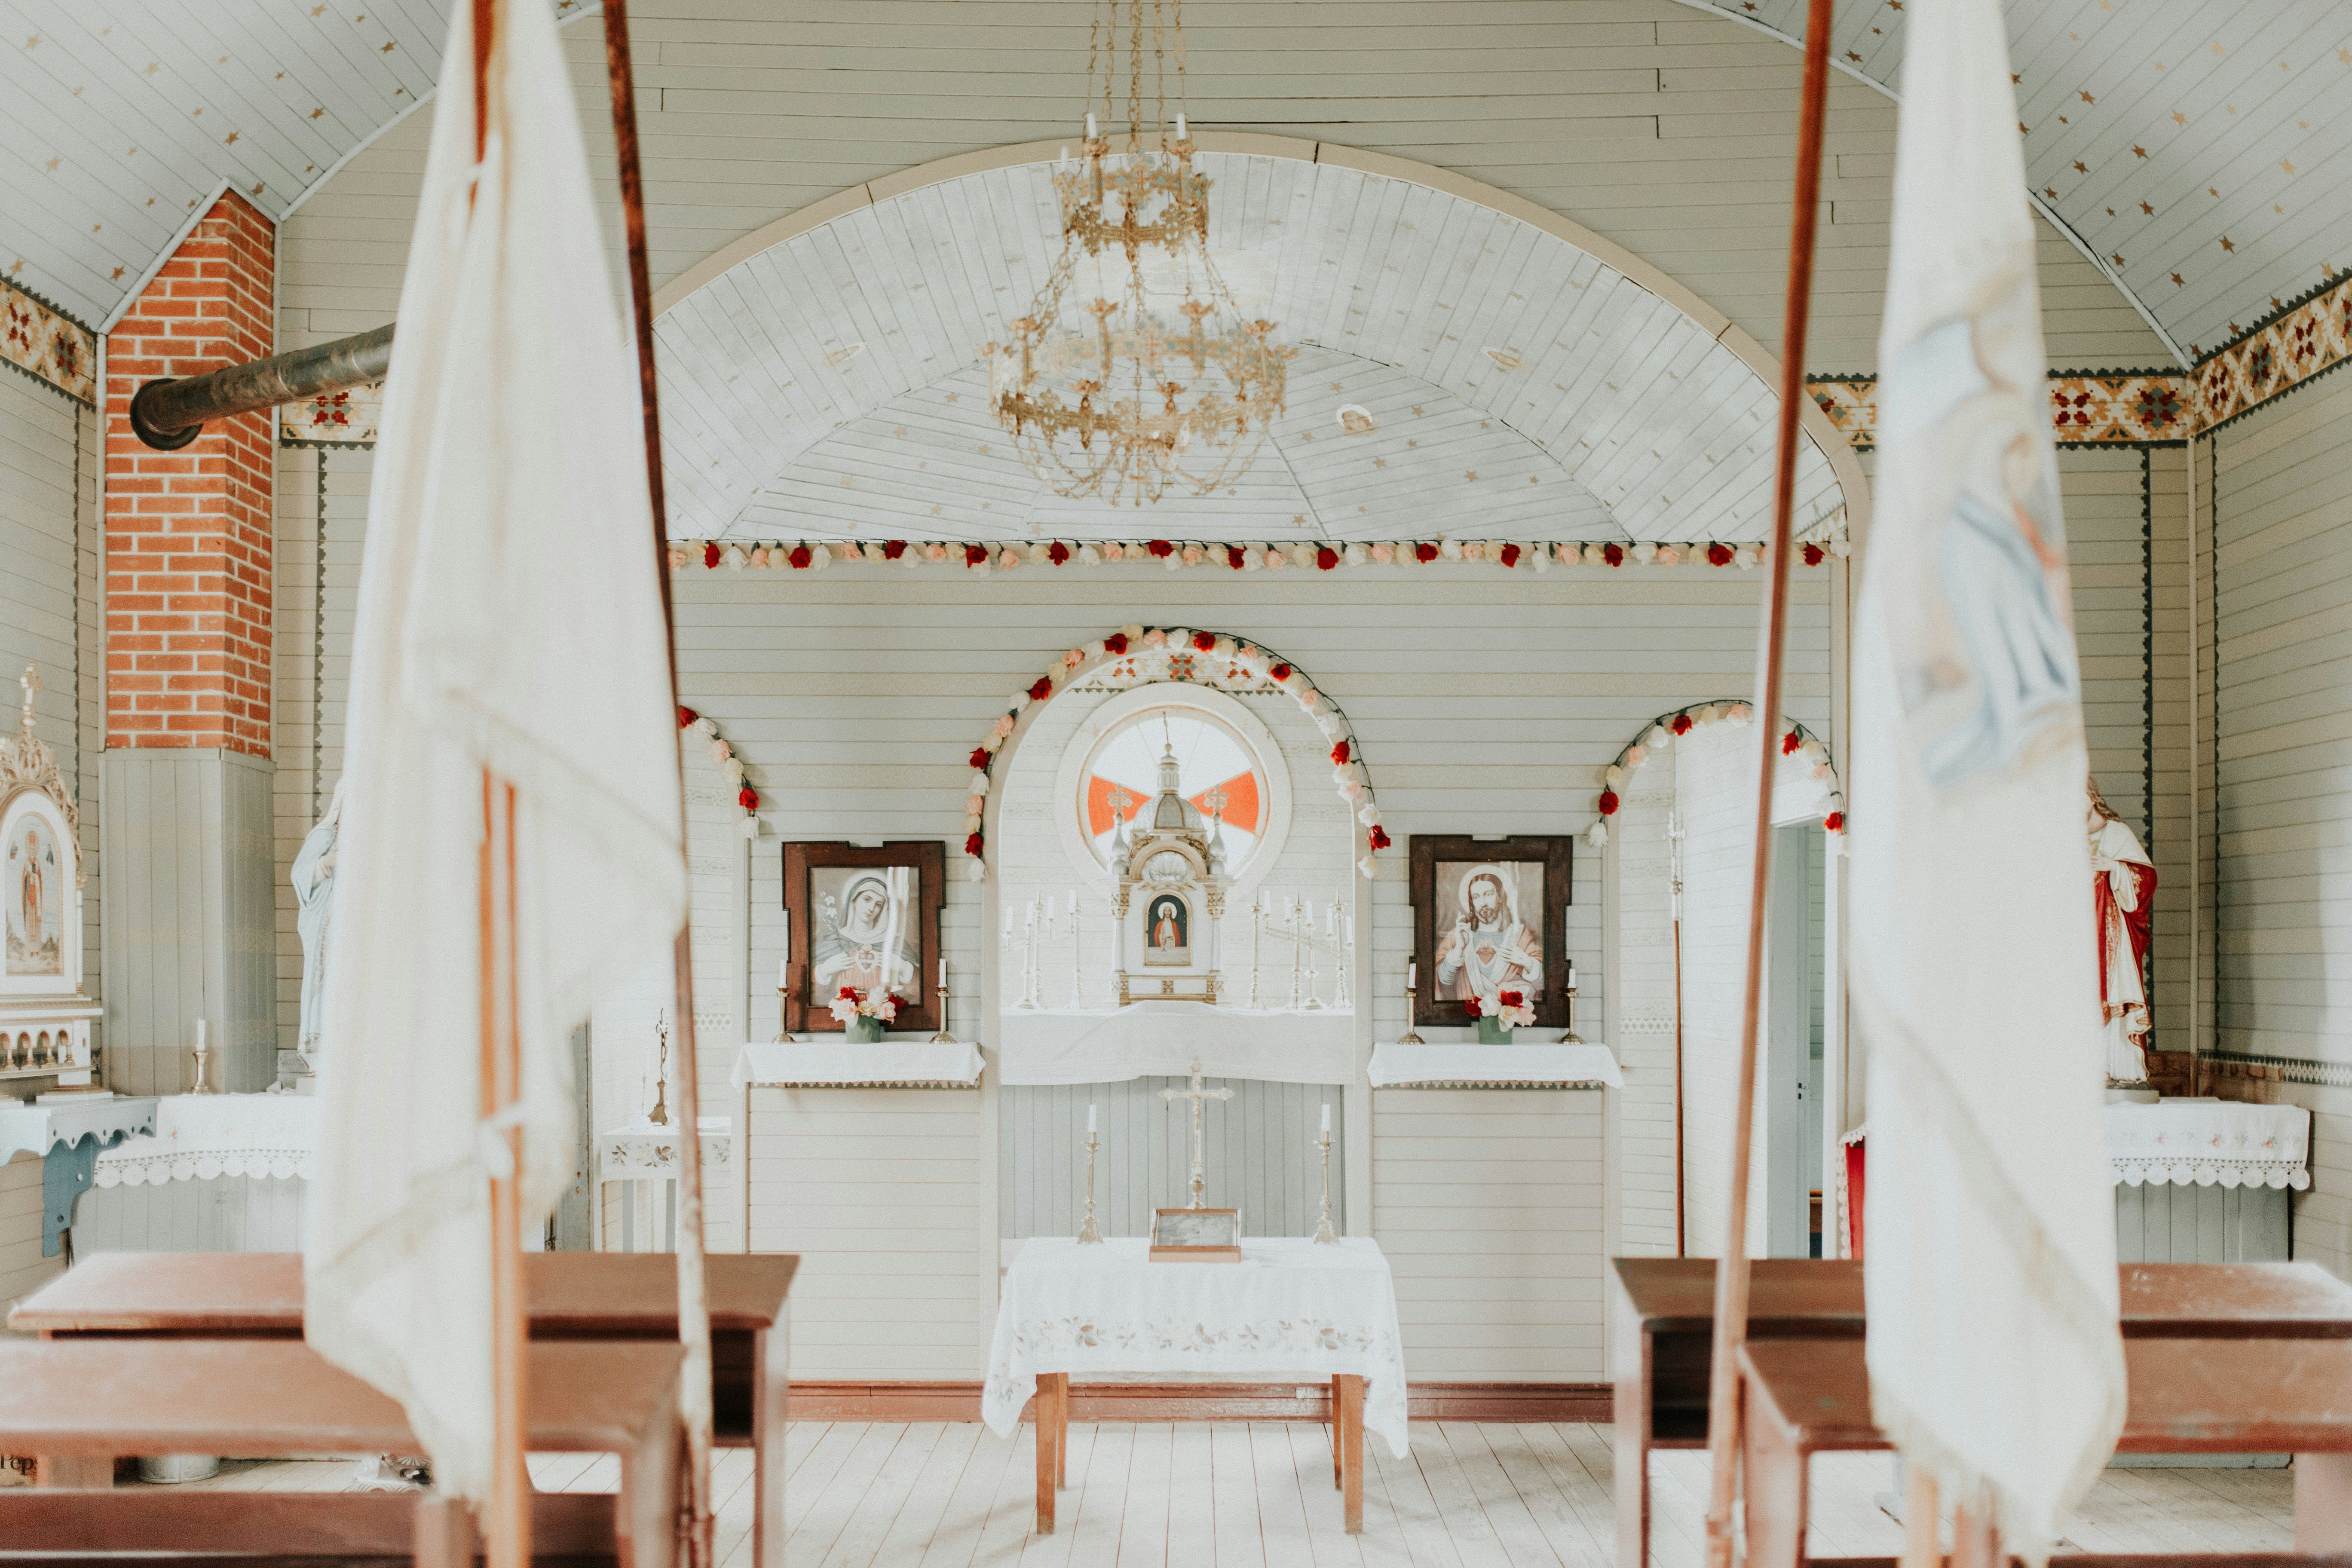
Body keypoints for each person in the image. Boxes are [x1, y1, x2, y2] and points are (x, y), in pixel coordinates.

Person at [2088, 778, 2156, 1086]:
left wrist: (2114, 867)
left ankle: (2116, 1067)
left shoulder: (2116, 834)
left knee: (2112, 995)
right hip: (2079, 935)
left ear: (2091, 798)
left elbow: (2147, 879)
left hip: (2111, 935)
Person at [1434, 866, 1543, 1002]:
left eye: (1488, 894)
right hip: (1467, 1013)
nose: (1483, 903)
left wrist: (1528, 962)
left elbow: (1544, 981)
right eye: (1476, 897)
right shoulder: (1459, 935)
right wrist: (1459, 950)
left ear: (1500, 897)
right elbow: (1442, 982)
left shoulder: (1520, 935)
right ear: (1472, 902)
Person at [812, 873, 916, 994]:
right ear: (854, 900)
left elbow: (920, 990)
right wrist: (824, 970)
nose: (872, 908)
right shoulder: (836, 940)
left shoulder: (894, 942)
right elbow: (813, 992)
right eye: (867, 899)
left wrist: (904, 967)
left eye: (878, 905)